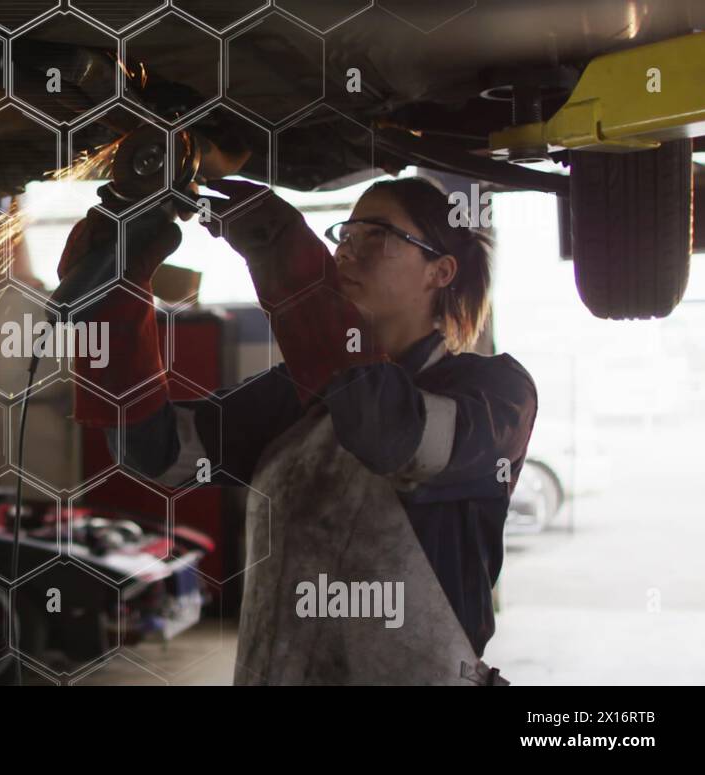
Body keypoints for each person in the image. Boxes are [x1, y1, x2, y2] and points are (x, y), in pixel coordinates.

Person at [58, 175, 537, 684]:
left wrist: (285, 261)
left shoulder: (495, 393)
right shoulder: (296, 392)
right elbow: (155, 450)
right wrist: (115, 298)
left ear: (440, 271)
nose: (347, 253)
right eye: (345, 237)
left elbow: (392, 437)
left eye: (376, 235)